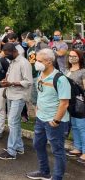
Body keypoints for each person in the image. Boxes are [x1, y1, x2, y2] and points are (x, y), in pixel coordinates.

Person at [25, 49, 71, 180]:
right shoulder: (41, 74)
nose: (36, 63)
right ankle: (44, 171)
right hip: (41, 118)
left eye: (39, 61)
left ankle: (57, 177)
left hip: (56, 121)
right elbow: (42, 93)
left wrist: (56, 120)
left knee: (57, 150)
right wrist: (38, 109)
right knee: (38, 144)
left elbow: (64, 103)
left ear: (49, 62)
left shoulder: (60, 79)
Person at [0, 43, 33, 160]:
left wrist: (11, 83)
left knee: (12, 122)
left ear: (14, 51)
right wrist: (6, 80)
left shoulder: (24, 63)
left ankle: (11, 152)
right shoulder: (12, 62)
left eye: (8, 55)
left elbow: (28, 82)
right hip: (10, 94)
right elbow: (10, 76)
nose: (6, 57)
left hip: (19, 96)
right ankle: (19, 147)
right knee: (15, 123)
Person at [65, 50, 85, 164]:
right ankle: (78, 148)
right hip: (70, 102)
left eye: (75, 56)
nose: (72, 58)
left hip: (80, 103)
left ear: (80, 57)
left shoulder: (83, 71)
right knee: (75, 126)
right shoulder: (67, 71)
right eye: (70, 56)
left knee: (82, 127)